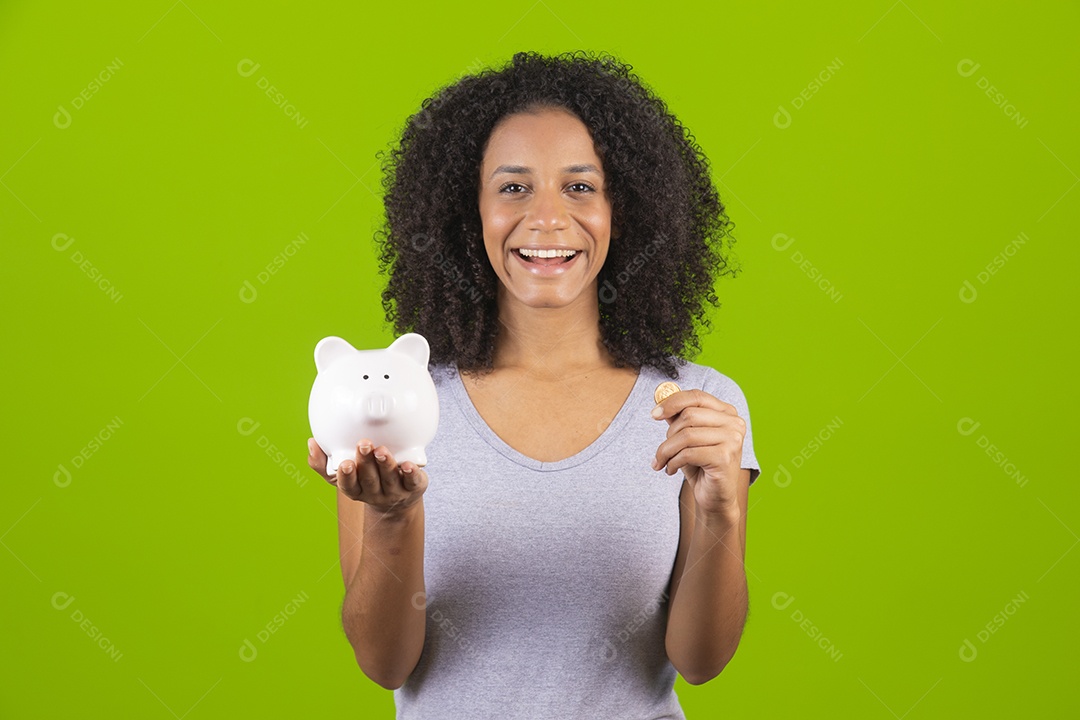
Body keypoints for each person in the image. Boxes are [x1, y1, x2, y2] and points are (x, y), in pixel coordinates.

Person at [307, 50, 761, 719]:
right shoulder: (399, 403)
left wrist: (723, 509)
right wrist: (392, 516)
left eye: (580, 187)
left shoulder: (698, 407)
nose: (547, 219)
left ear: (624, 208)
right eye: (514, 187)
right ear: (470, 212)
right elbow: (383, 663)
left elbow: (702, 661)